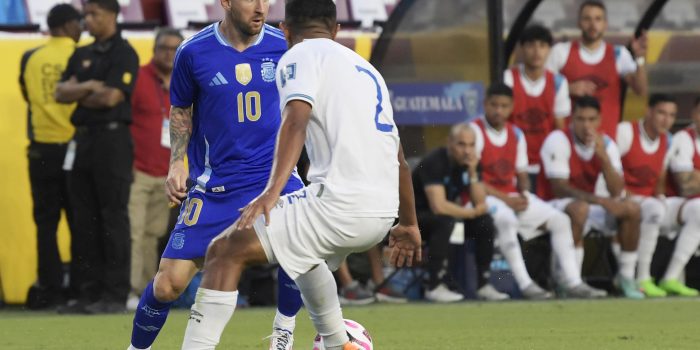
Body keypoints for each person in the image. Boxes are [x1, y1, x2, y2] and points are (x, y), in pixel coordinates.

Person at [180, 0, 421, 349]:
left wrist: (271, 191)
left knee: (224, 250)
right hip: (382, 214)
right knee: (302, 253)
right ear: (336, 30)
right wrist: (410, 224)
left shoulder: (298, 55)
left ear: (285, 31)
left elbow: (295, 120)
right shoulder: (367, 71)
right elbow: (398, 155)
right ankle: (340, 343)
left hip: (338, 205)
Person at [126, 1, 307, 349]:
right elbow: (181, 108)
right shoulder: (193, 52)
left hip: (273, 180)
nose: (260, 8)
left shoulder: (285, 45)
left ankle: (283, 332)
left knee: (300, 249)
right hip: (216, 186)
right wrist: (176, 163)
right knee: (167, 285)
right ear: (225, 2)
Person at [471, 84, 605, 299]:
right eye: (494, 105)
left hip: (511, 196)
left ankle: (572, 281)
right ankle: (526, 285)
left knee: (561, 220)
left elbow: (522, 174)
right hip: (481, 197)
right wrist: (507, 199)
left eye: (504, 106)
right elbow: (473, 180)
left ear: (512, 107)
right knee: (506, 219)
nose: (499, 111)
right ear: (485, 104)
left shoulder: (515, 133)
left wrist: (524, 194)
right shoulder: (474, 131)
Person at [54, 0, 139, 314]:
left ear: (113, 15)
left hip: (112, 140)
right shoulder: (81, 53)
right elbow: (59, 93)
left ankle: (114, 294)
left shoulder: (124, 52)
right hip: (82, 141)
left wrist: (80, 89)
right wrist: (91, 86)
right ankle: (86, 292)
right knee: (83, 217)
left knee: (112, 216)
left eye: (94, 14)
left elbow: (112, 97)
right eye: (85, 14)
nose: (88, 20)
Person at [538, 96, 644, 299]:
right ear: (572, 120)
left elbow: (616, 190)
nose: (586, 125)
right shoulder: (558, 139)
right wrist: (601, 201)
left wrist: (604, 159)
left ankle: (625, 277)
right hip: (553, 205)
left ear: (599, 120)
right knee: (580, 209)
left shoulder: (605, 144)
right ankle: (568, 280)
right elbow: (559, 188)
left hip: (588, 203)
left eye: (591, 119)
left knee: (632, 209)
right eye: (580, 119)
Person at [18, 3, 81, 309]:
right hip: (73, 148)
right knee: (81, 220)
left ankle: (50, 288)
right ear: (69, 25)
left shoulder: (31, 57)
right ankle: (81, 288)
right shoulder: (80, 54)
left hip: (41, 150)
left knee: (46, 224)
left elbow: (28, 97)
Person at [126, 28, 184, 310]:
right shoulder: (138, 78)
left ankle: (146, 291)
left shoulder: (184, 80)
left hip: (167, 173)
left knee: (154, 234)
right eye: (164, 47)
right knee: (135, 232)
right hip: (138, 169)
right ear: (154, 48)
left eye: (175, 49)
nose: (169, 54)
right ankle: (133, 290)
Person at [412, 124, 502, 302]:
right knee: (446, 221)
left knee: (484, 222)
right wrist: (471, 213)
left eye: (471, 145)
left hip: (447, 219)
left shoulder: (471, 163)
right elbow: (438, 206)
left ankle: (483, 284)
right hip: (415, 220)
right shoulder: (434, 161)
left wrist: (473, 173)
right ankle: (434, 285)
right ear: (449, 143)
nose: (467, 151)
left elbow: (480, 203)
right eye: (462, 144)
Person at [545, 0, 647, 139]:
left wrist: (640, 59)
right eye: (587, 19)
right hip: (570, 142)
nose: (593, 25)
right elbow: (541, 91)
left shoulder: (618, 54)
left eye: (598, 19)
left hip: (606, 140)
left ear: (605, 24)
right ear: (579, 23)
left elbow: (640, 90)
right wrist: (567, 89)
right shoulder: (561, 52)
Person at [506, 24, 570, 188]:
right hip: (515, 165)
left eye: (542, 46)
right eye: (531, 45)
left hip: (545, 165)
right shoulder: (508, 78)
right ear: (522, 49)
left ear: (549, 50)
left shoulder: (558, 82)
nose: (536, 51)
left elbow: (559, 128)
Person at [660, 97, 700, 296]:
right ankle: (671, 277)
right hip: (671, 204)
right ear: (693, 114)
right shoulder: (683, 139)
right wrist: (692, 180)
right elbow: (685, 186)